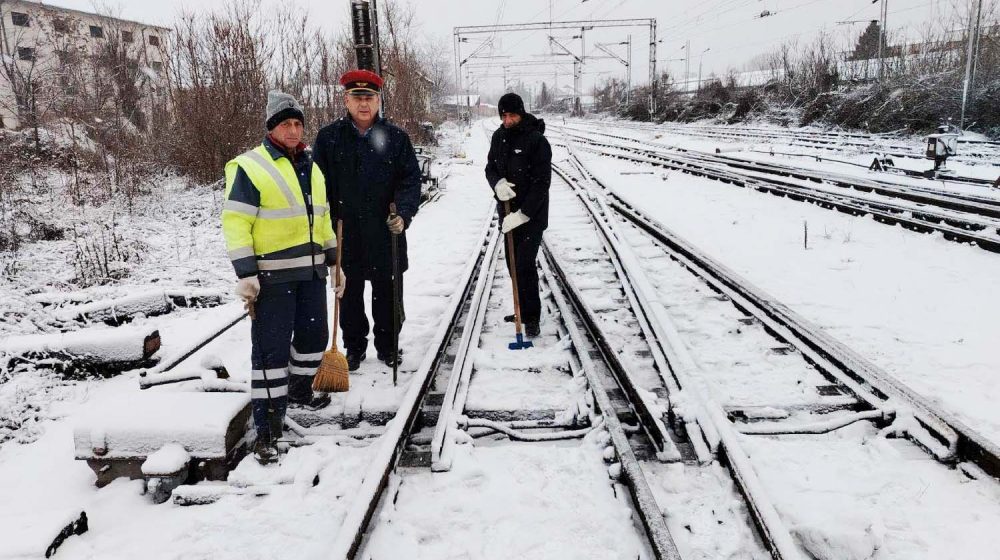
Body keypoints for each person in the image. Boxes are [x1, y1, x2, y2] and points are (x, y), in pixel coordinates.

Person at [221, 90, 345, 465]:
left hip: (310, 273)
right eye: (285, 124)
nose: (293, 130)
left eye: (297, 123)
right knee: (271, 354)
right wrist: (246, 274)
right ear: (272, 128)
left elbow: (321, 220)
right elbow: (236, 223)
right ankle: (268, 429)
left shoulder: (311, 166)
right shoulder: (250, 166)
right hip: (271, 278)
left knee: (313, 340)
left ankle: (298, 389)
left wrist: (335, 263)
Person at [312, 69, 421, 371]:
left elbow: (411, 180)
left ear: (378, 100)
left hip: (386, 231)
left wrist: (403, 214)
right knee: (348, 294)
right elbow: (317, 185)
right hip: (345, 231)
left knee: (388, 293)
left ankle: (388, 346)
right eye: (357, 97)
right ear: (345, 100)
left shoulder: (396, 138)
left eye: (369, 97)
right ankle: (354, 347)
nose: (363, 104)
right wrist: (326, 223)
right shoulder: (329, 138)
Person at [485, 92, 551, 338]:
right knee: (513, 265)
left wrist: (523, 214)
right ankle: (520, 308)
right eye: (504, 115)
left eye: (512, 115)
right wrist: (497, 182)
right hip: (507, 212)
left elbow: (541, 183)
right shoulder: (498, 137)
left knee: (524, 264)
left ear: (521, 114)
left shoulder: (537, 141)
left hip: (531, 216)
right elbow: (490, 166)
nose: (507, 120)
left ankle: (532, 317)